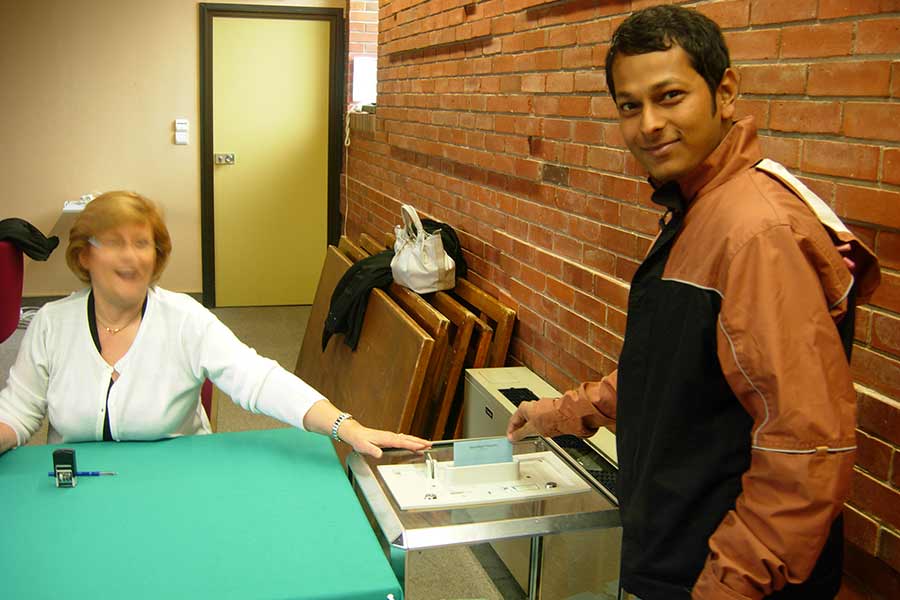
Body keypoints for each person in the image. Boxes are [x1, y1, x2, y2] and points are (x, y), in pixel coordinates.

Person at [506, 6, 880, 600]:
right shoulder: (697, 212)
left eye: (670, 95)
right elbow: (669, 369)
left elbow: (806, 446)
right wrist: (560, 412)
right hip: (681, 552)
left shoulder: (755, 232)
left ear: (724, 91)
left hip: (727, 576)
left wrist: (725, 587)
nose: (649, 124)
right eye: (630, 106)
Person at [0, 191, 430, 459]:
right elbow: (18, 415)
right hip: (76, 493)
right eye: (113, 243)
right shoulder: (52, 325)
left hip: (180, 487)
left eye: (142, 243)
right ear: (84, 256)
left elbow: (258, 379)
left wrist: (346, 427)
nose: (131, 257)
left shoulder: (184, 318)